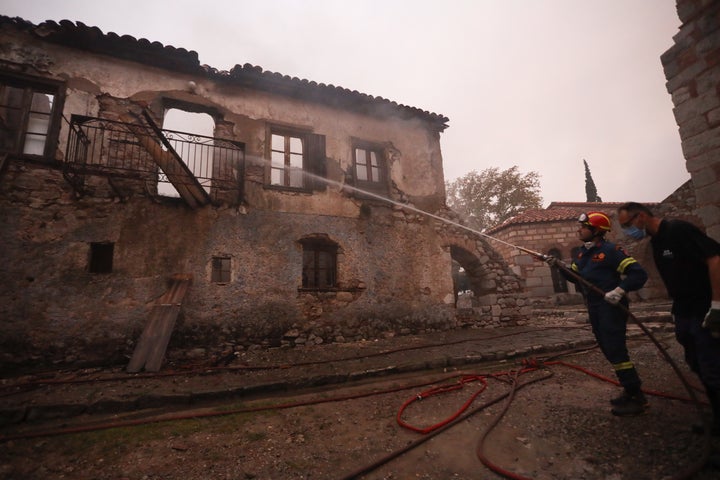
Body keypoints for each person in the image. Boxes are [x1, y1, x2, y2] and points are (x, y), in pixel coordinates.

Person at [617, 202, 720, 435]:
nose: (626, 232)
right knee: (697, 363)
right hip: (683, 310)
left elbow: (715, 259)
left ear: (640, 216)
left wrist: (717, 305)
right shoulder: (656, 242)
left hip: (702, 307)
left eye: (627, 225)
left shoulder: (678, 230)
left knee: (713, 366)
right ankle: (715, 421)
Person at [547, 211, 649, 416]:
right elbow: (576, 279)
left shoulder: (611, 251)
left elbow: (638, 274)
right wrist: (558, 267)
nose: (579, 230)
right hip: (594, 306)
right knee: (607, 348)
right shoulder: (582, 254)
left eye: (583, 227)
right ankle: (629, 389)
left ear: (596, 231)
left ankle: (635, 394)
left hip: (610, 307)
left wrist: (619, 291)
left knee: (616, 348)